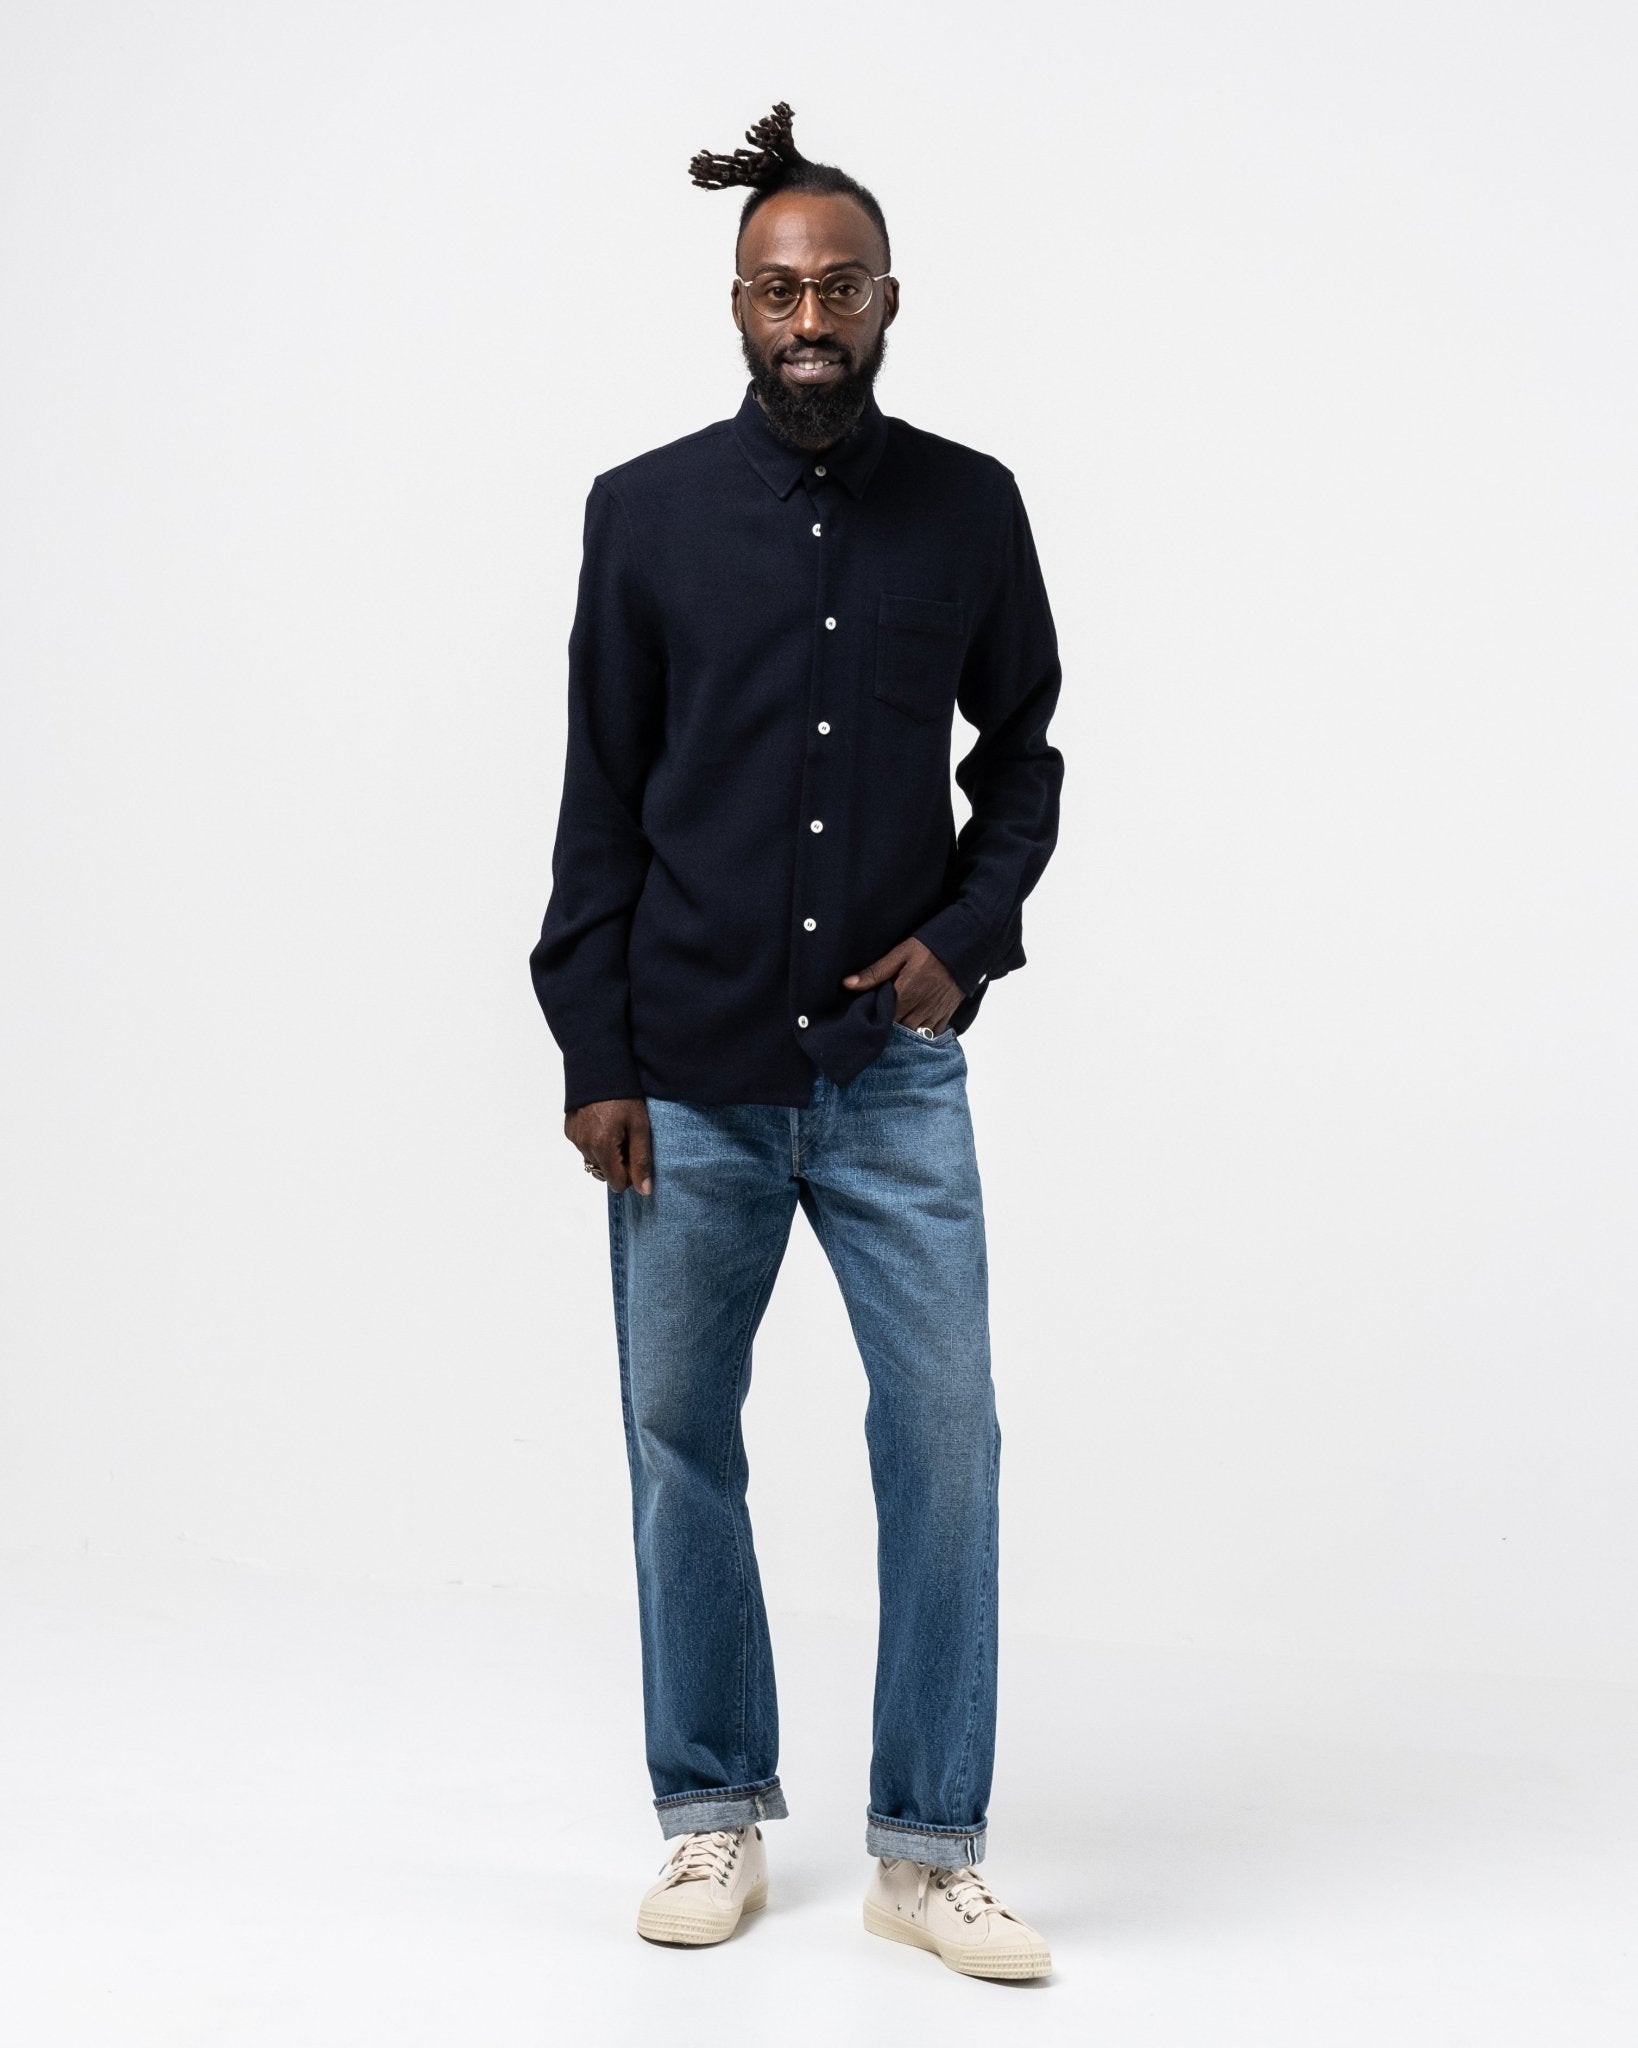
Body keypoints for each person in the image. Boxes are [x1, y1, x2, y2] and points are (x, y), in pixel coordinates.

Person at [529, 101, 1064, 1980]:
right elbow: (601, 795)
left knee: (947, 1441)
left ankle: (928, 1852)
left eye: (838, 286)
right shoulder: (645, 513)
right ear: (737, 307)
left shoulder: (972, 507)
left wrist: (961, 946)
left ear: (889, 299)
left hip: (890, 1075)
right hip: (684, 1073)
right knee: (681, 1440)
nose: (808, 317)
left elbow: (1024, 763)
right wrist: (594, 1053)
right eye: (777, 290)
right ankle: (710, 1812)